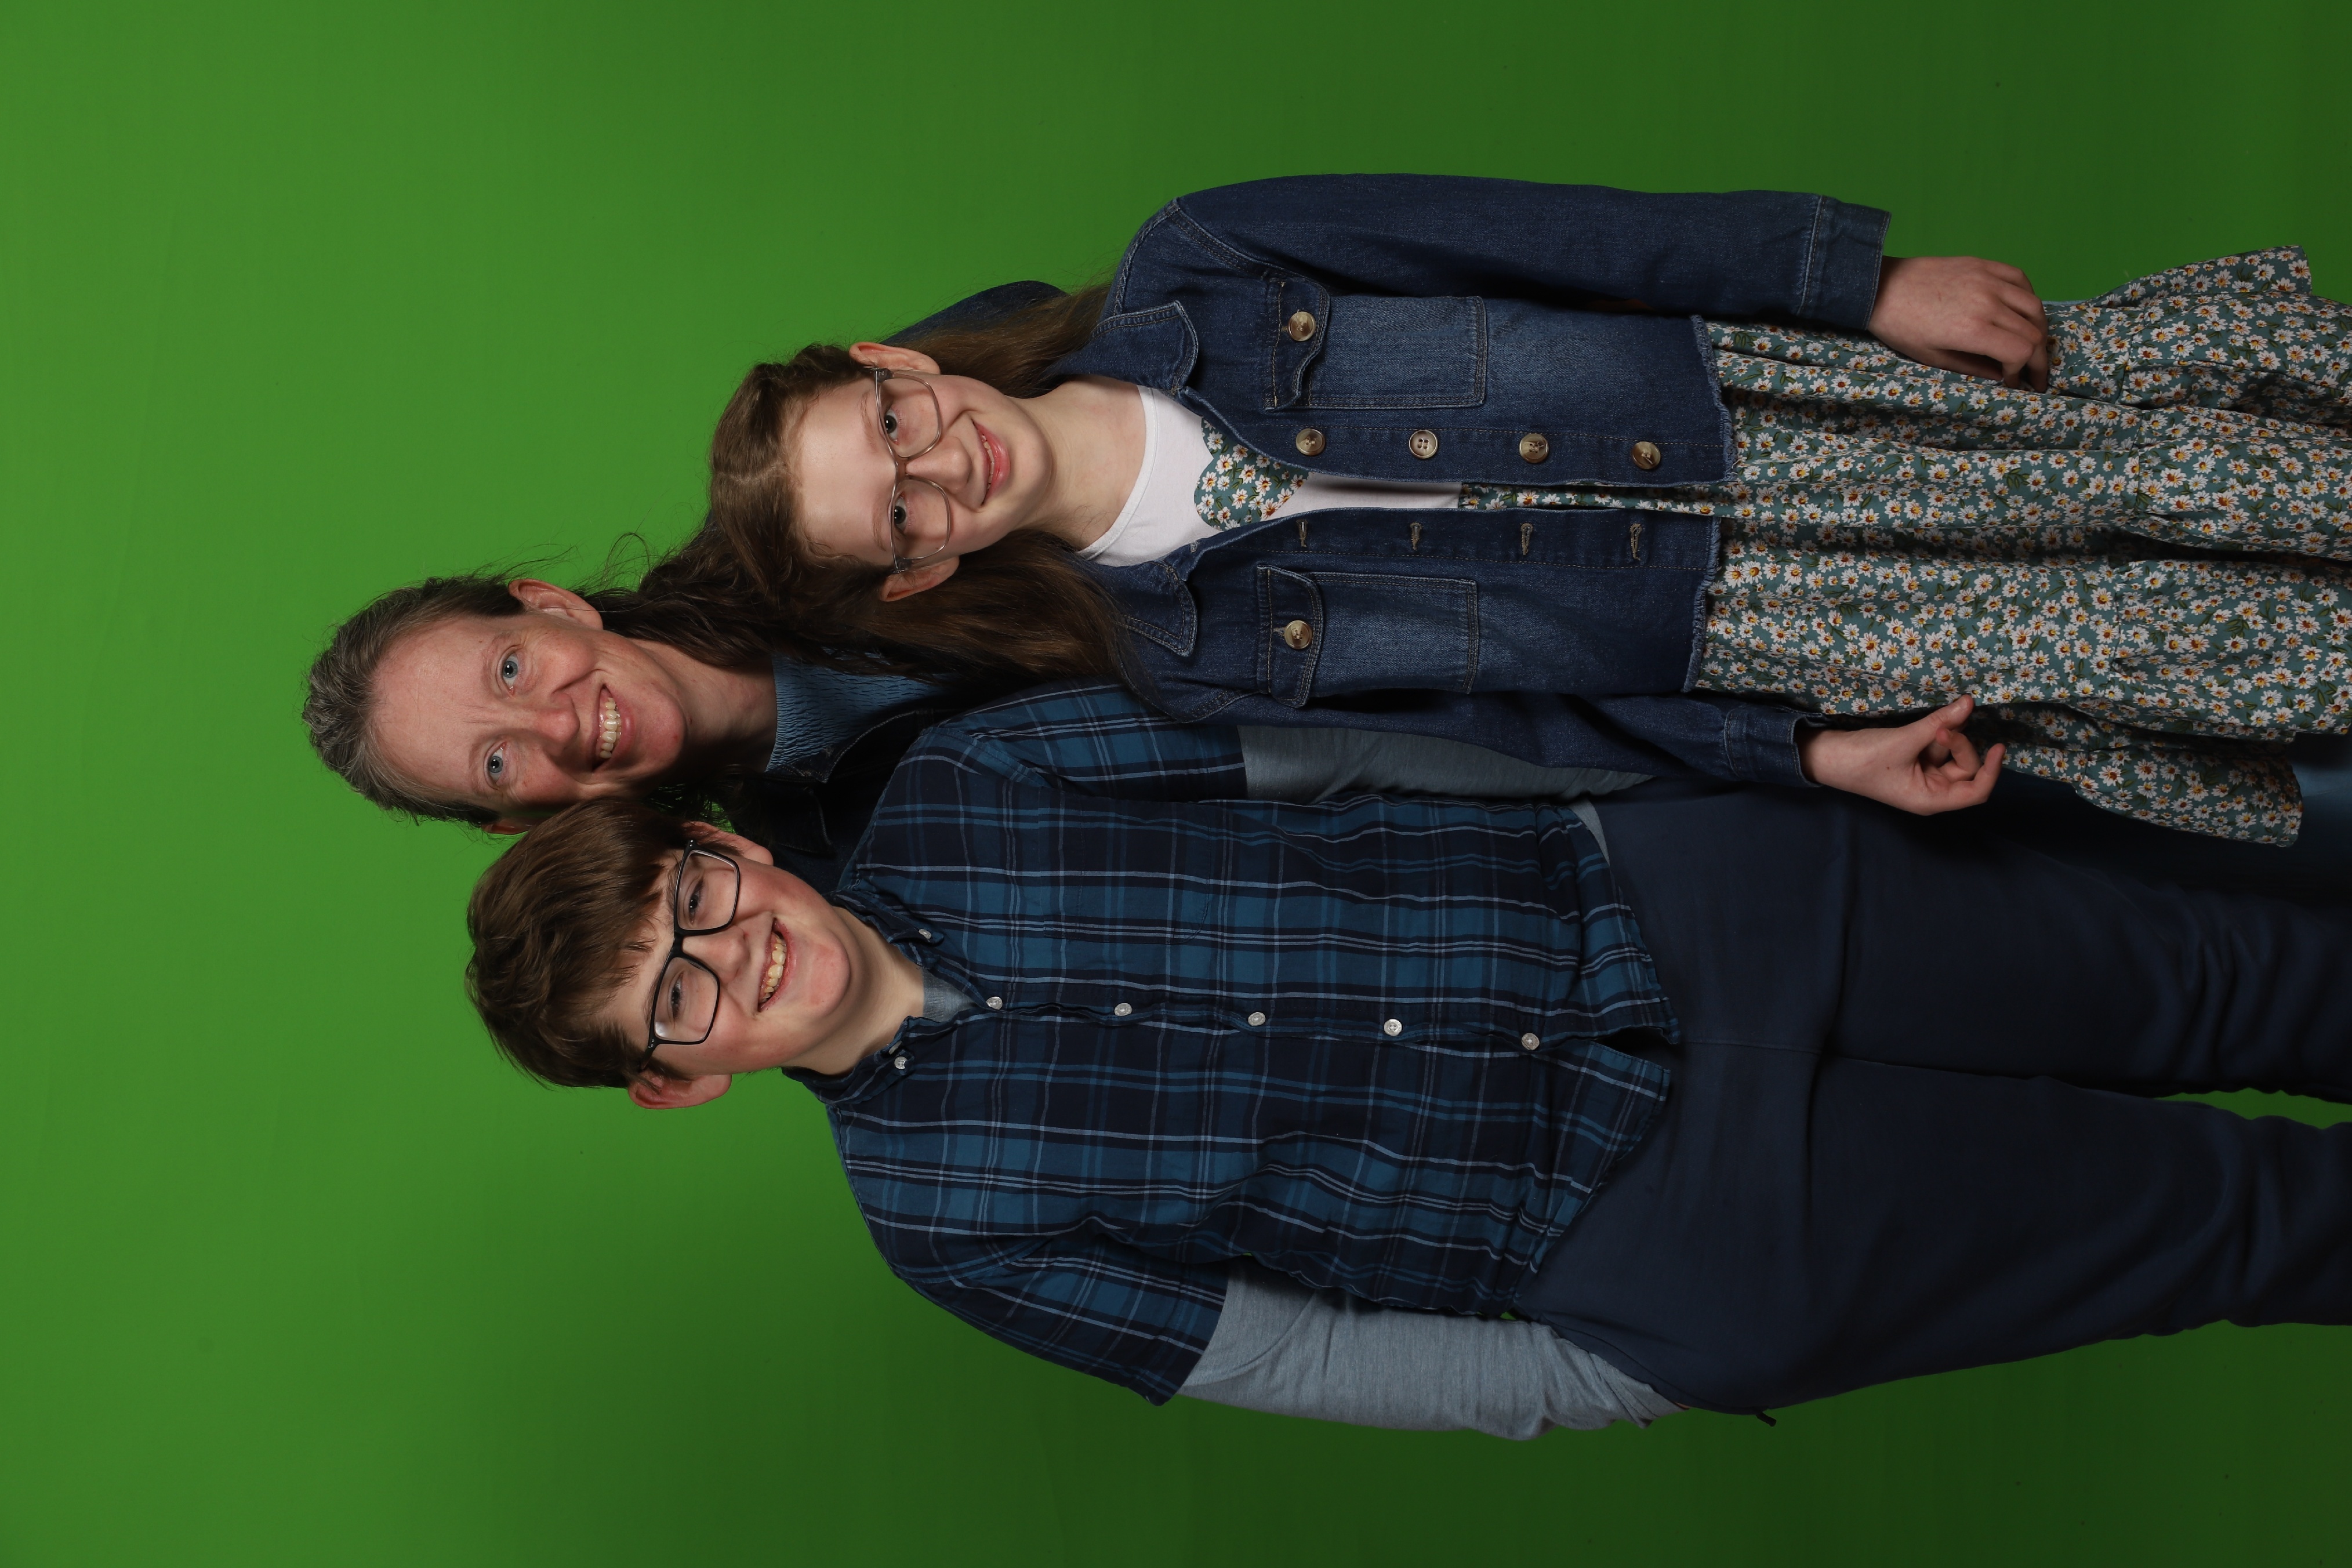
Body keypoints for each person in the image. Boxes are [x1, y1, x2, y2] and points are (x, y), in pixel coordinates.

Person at [465, 680, 2352, 1435]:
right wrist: (1622, 1366)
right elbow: (1285, 1350)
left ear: (719, 843)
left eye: (695, 902)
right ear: (678, 1080)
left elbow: (1344, 752)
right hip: (1665, 1227)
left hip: (1691, 899)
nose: (733, 955)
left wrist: (1676, 793)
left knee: (2240, 976)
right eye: (677, 1000)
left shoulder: (976, 773)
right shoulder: (943, 1227)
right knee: (2231, 1228)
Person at [706, 173, 2352, 843]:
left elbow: (1550, 236)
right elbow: (1527, 732)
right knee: (2182, 648)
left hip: (1770, 408)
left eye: (893, 425)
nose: (940, 469)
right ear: (917, 580)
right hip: (1760, 626)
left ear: (894, 360)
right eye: (898, 519)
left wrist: (1856, 281)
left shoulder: (1199, 259)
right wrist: (1799, 754)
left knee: (2186, 462)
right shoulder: (1183, 660)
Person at [299, 533, 994, 887]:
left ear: (555, 607)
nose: (556, 726)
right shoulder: (826, 887)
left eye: (510, 670)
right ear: (518, 822)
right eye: (498, 763)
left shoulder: (804, 500)